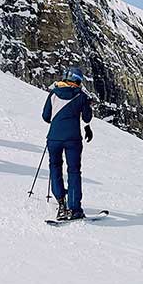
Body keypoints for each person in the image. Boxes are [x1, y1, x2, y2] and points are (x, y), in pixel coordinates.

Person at [42, 67, 94, 221]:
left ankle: (60, 201)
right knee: (73, 171)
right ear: (77, 81)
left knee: (55, 166)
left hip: (54, 138)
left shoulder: (53, 93)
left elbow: (46, 117)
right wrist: (88, 106)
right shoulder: (81, 96)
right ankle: (74, 208)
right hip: (73, 139)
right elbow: (86, 117)